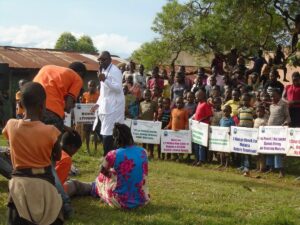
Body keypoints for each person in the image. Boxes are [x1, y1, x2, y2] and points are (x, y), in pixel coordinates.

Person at [3, 82, 63, 225]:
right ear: (42, 105)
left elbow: (7, 136)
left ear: (21, 104)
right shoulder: (52, 132)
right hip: (45, 185)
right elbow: (58, 156)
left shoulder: (11, 125)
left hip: (19, 188)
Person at [33, 61, 86, 218]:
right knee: (49, 163)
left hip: (32, 113)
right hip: (52, 114)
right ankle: (64, 203)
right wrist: (69, 103)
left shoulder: (46, 67)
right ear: (80, 73)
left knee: (35, 159)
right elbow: (67, 106)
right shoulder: (77, 78)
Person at [91, 123, 150, 209]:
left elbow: (102, 170)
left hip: (120, 201)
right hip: (141, 199)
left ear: (115, 138)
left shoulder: (113, 154)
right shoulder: (143, 152)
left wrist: (111, 175)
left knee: (101, 177)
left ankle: (95, 189)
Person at [91, 51, 125, 156]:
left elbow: (118, 89)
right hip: (105, 105)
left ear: (110, 59)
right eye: (99, 60)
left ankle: (107, 157)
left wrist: (105, 80)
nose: (101, 62)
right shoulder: (103, 70)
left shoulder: (115, 71)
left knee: (108, 132)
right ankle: (112, 154)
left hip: (114, 106)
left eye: (103, 60)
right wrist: (97, 103)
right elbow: (103, 92)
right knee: (100, 129)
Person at [55, 131, 91, 198]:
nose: (75, 152)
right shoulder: (66, 159)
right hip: (52, 193)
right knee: (75, 184)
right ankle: (94, 187)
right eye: (76, 150)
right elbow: (56, 185)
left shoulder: (51, 149)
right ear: (71, 147)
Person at [266, 89, 291, 178]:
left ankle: (281, 170)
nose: (272, 98)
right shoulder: (271, 106)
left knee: (278, 150)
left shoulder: (283, 104)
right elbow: (271, 117)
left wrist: (286, 123)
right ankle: (271, 168)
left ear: (279, 96)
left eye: (274, 96)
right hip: (270, 131)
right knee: (269, 149)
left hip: (279, 132)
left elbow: (288, 117)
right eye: (271, 96)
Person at [192, 89, 213, 166]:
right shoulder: (199, 104)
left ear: (201, 96)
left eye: (197, 97)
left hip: (203, 127)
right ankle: (196, 158)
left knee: (201, 145)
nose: (196, 98)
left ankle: (201, 160)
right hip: (197, 127)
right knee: (196, 144)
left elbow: (209, 115)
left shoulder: (205, 104)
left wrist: (201, 120)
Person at [165, 96, 189, 161]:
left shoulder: (185, 111)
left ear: (183, 104)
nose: (179, 104)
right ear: (175, 103)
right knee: (174, 145)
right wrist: (167, 126)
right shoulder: (173, 110)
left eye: (180, 103)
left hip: (181, 132)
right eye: (177, 103)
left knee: (180, 145)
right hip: (173, 131)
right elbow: (171, 121)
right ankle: (174, 156)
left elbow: (186, 121)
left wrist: (186, 128)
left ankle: (180, 157)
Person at [237, 93, 254, 176]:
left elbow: (254, 118)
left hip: (249, 133)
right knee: (241, 149)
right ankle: (242, 165)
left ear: (249, 101)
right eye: (243, 100)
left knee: (247, 150)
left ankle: (247, 166)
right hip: (241, 132)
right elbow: (238, 118)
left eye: (246, 100)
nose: (245, 101)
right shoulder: (239, 110)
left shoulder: (251, 109)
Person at [81, 80, 100, 155]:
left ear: (95, 87)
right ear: (88, 86)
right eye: (90, 86)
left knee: (95, 132)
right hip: (87, 117)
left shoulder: (99, 95)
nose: (91, 87)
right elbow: (82, 105)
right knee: (87, 133)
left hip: (96, 117)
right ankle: (87, 149)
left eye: (93, 86)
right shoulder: (85, 94)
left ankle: (95, 149)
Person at [139, 89, 158, 159]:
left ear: (151, 95)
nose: (147, 96)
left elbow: (156, 112)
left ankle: (151, 153)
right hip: (143, 124)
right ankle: (144, 153)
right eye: (145, 95)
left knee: (151, 140)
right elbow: (140, 113)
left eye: (148, 95)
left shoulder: (154, 103)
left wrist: (155, 118)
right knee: (143, 140)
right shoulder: (141, 103)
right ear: (143, 95)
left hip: (151, 124)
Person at [253, 104, 269, 172]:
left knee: (262, 155)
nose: (259, 113)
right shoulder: (255, 120)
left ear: (264, 112)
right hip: (256, 138)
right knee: (257, 154)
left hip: (263, 139)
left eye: (261, 111)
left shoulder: (266, 120)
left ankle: (262, 168)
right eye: (257, 111)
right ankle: (257, 167)